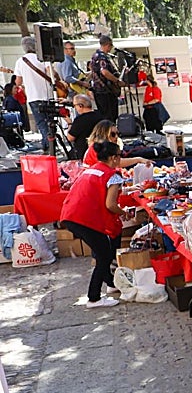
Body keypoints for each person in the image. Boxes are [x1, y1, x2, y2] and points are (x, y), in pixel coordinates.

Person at [60, 140, 126, 308]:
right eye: (119, 156)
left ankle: (111, 284)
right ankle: (94, 297)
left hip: (71, 214)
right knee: (104, 255)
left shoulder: (91, 170)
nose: (121, 159)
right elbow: (110, 204)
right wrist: (124, 212)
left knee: (102, 251)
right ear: (113, 158)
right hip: (84, 218)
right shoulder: (113, 176)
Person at [15, 36, 55, 150]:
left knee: (41, 122)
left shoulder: (21, 61)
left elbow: (18, 82)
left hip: (34, 96)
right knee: (51, 121)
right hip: (48, 95)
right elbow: (51, 73)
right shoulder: (42, 58)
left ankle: (48, 146)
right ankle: (52, 143)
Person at [82, 121, 152, 169]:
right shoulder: (97, 147)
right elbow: (116, 162)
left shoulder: (100, 146)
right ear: (103, 134)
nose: (116, 137)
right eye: (113, 134)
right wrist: (138, 159)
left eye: (118, 134)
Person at [89, 35, 123, 122]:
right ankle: (110, 134)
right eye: (110, 45)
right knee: (110, 116)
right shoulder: (102, 57)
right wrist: (117, 81)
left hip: (99, 91)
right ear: (107, 45)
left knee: (105, 116)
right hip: (105, 91)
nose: (111, 48)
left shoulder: (95, 56)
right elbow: (104, 72)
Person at [65, 94, 104, 160]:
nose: (75, 108)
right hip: (101, 150)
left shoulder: (80, 120)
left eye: (75, 105)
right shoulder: (99, 114)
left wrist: (69, 123)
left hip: (84, 153)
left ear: (80, 106)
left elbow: (70, 138)